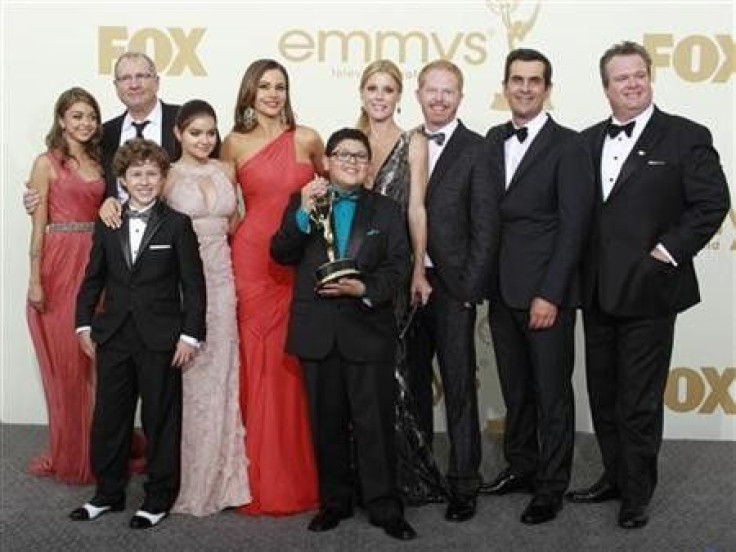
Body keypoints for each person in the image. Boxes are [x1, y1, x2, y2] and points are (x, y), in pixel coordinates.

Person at [566, 40, 730, 529]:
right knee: (603, 392)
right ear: (606, 87)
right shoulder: (586, 141)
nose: (633, 83)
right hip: (596, 291)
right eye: (622, 78)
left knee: (638, 398)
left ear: (650, 77)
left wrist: (669, 251)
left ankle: (637, 493)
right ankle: (614, 476)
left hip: (650, 290)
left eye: (640, 74)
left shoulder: (685, 136)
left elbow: (712, 203)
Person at [270, 127, 416, 541]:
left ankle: (385, 507)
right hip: (318, 331)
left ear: (369, 167)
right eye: (343, 155)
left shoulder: (386, 210)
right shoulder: (305, 201)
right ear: (327, 162)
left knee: (374, 424)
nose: (352, 162)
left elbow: (398, 265)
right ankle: (334, 503)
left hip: (367, 329)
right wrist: (302, 212)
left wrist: (365, 289)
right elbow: (280, 253)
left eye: (360, 157)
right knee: (326, 424)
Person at [70, 139, 206, 529]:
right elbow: (93, 277)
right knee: (110, 417)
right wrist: (83, 324)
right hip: (114, 335)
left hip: (162, 338)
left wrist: (190, 336)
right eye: (136, 174)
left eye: (152, 174)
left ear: (163, 179)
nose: (144, 181)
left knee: (160, 419)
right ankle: (107, 494)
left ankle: (158, 497)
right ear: (123, 179)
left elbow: (193, 287)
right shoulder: (108, 220)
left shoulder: (178, 224)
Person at [484, 48, 594, 525]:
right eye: (516, 80)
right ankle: (522, 466)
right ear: (505, 86)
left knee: (552, 394)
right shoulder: (492, 138)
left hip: (546, 293)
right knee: (516, 390)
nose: (525, 88)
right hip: (501, 289)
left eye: (534, 81)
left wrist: (550, 293)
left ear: (548, 89)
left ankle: (551, 486)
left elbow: (575, 228)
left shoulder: (570, 146)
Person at [220, 58, 324, 515]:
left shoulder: (307, 138)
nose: (273, 94)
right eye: (264, 86)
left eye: (280, 86)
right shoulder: (232, 143)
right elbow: (223, 204)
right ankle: (254, 475)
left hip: (296, 259)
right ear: (249, 92)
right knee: (254, 360)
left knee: (291, 362)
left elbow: (338, 184)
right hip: (249, 260)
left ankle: (297, 472)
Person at [407, 60, 497, 521]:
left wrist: (468, 290)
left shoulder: (479, 149)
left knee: (459, 386)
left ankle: (465, 483)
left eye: (449, 91)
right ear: (418, 94)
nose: (439, 98)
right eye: (431, 90)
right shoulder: (406, 143)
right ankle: (423, 475)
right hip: (408, 286)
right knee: (415, 385)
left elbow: (486, 227)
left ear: (460, 97)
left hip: (452, 286)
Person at [356, 59, 448, 506]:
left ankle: (403, 477)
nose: (379, 96)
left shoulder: (415, 142)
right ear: (362, 92)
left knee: (394, 376)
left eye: (388, 89)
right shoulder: (347, 140)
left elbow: (417, 209)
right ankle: (360, 477)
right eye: (372, 88)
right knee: (357, 376)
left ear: (398, 96)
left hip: (393, 271)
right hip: (354, 274)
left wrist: (417, 271)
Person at [165, 100, 250, 516]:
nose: (204, 140)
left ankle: (223, 479)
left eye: (211, 133)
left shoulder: (224, 171)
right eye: (196, 132)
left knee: (221, 376)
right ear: (179, 133)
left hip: (222, 281)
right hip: (180, 286)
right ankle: (186, 478)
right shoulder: (164, 175)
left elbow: (236, 223)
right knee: (189, 380)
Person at [25, 87, 105, 484]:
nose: (85, 123)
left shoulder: (100, 160)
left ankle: (99, 448)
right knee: (70, 363)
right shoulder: (45, 163)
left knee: (96, 363)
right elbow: (37, 223)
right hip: (59, 263)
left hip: (98, 264)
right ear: (61, 120)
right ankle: (73, 453)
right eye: (77, 116)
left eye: (90, 115)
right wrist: (34, 278)